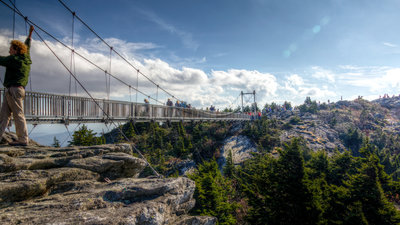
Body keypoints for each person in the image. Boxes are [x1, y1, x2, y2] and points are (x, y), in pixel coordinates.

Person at [0, 25, 34, 146]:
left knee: (17, 114)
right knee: (4, 115)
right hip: (15, 90)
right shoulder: (26, 57)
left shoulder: (14, 59)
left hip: (13, 90)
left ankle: (23, 139)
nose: (9, 51)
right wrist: (30, 34)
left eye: (11, 49)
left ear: (16, 50)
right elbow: (27, 46)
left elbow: (1, 59)